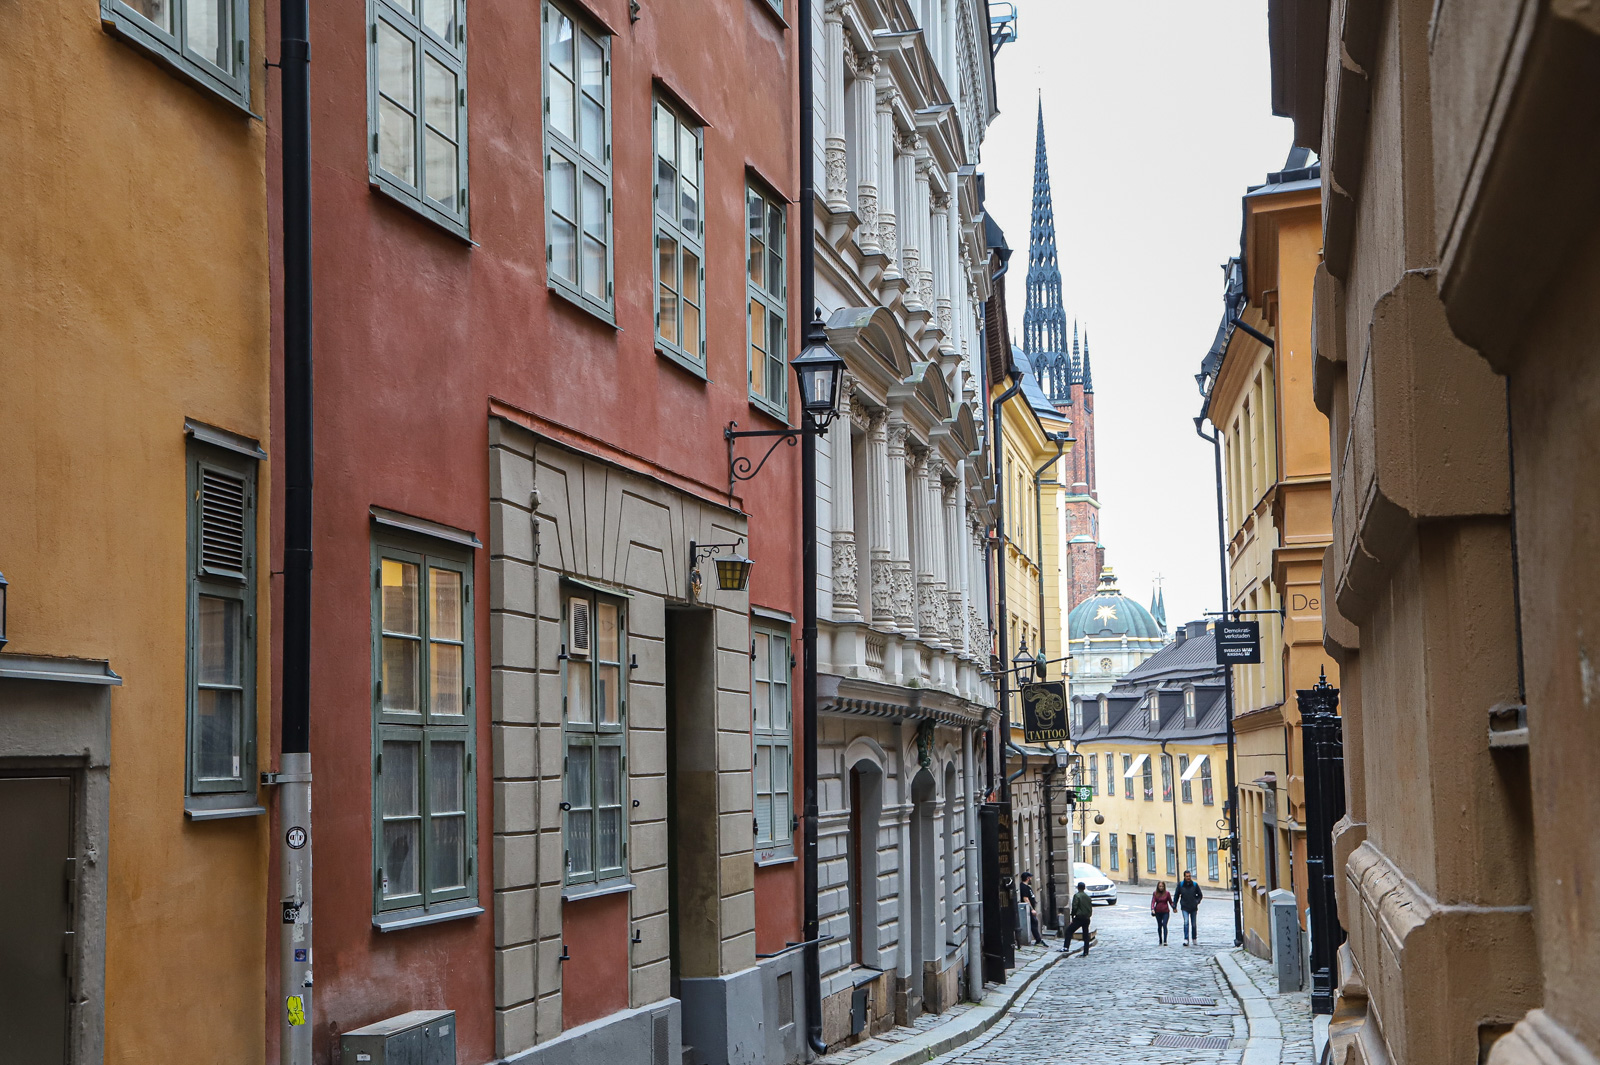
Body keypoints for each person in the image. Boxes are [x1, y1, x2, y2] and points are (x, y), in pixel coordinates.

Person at [1062, 881, 1093, 957]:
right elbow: (1090, 908)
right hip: (1087, 918)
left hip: (1079, 917)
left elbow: (1075, 907)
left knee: (1069, 931)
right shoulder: (1088, 897)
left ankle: (1066, 947)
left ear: (1078, 888)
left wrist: (1072, 915)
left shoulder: (1077, 896)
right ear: (1084, 888)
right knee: (1085, 934)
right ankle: (1086, 951)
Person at [1175, 870, 1204, 945]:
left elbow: (1200, 895)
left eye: (1189, 876)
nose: (1188, 878)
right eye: (1187, 876)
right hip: (1184, 907)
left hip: (1193, 907)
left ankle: (1194, 938)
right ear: (1184, 877)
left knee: (1193, 924)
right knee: (1186, 922)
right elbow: (1176, 896)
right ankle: (1186, 939)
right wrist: (1174, 905)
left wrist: (1196, 902)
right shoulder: (1181, 885)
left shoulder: (1194, 885)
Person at [1018, 872, 1044, 945]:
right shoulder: (1023, 887)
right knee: (1034, 923)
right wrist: (1031, 909)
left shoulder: (1027, 887)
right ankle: (1038, 939)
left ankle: (1038, 939)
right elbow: (1026, 898)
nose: (1031, 879)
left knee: (1034, 922)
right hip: (1028, 909)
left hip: (1030, 908)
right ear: (1027, 878)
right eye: (1030, 878)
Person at [1150, 880, 1173, 945]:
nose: (1161, 887)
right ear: (1158, 887)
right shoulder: (1155, 893)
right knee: (1159, 925)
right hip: (1158, 912)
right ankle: (1160, 939)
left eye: (1162, 886)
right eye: (1160, 886)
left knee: (1164, 925)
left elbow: (1170, 902)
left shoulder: (1167, 893)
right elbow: (1153, 902)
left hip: (1165, 911)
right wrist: (1152, 909)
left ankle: (1165, 940)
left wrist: (1173, 907)